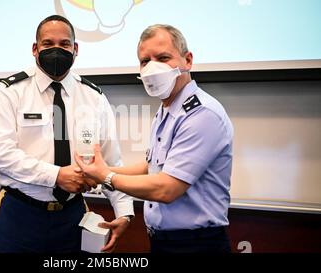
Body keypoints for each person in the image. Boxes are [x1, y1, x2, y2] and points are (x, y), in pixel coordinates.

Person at [75, 24, 234, 253]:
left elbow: (166, 189)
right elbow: (151, 168)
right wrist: (100, 171)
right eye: (145, 61)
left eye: (163, 58)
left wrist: (106, 176)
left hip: (197, 244)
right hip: (163, 241)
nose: (152, 68)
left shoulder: (201, 114)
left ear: (187, 60)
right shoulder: (166, 110)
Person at [0, 15, 134, 253]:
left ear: (75, 49)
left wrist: (124, 211)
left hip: (72, 218)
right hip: (19, 215)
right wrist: (56, 176)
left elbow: (111, 161)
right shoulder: (10, 91)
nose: (56, 50)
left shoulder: (94, 97)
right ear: (35, 49)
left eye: (64, 44)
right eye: (47, 44)